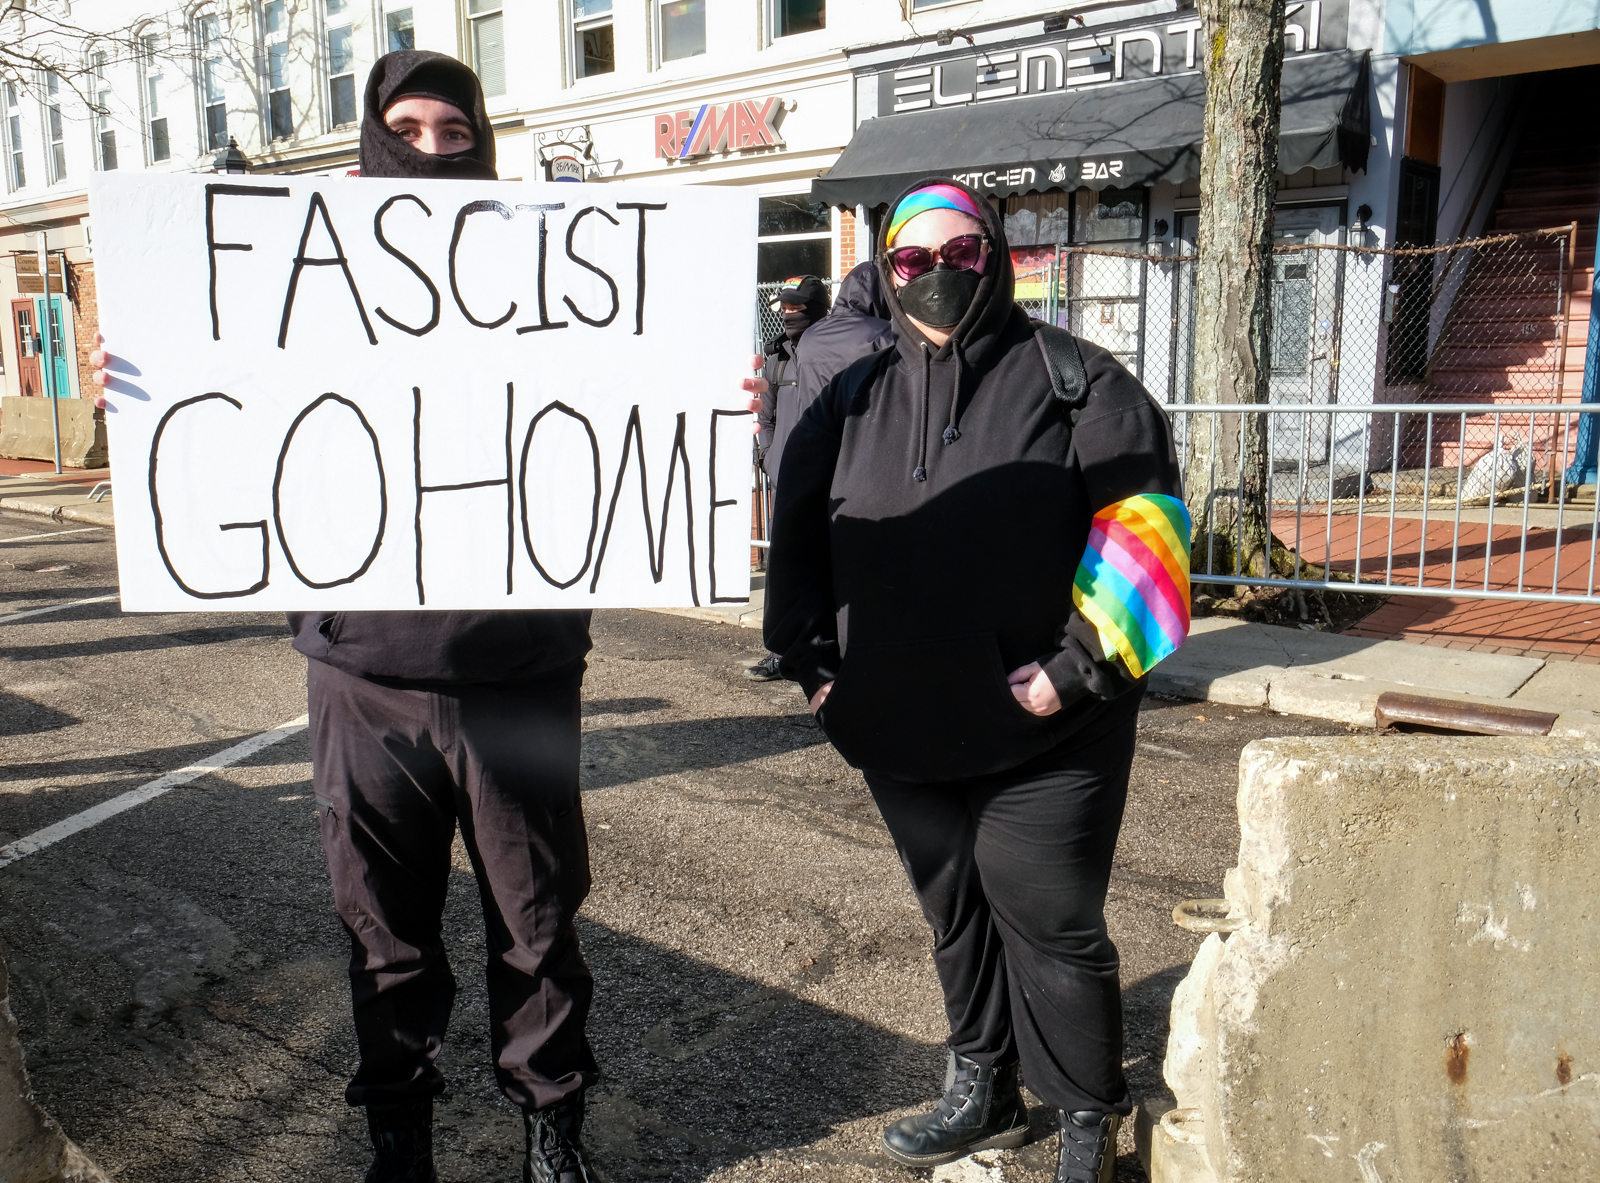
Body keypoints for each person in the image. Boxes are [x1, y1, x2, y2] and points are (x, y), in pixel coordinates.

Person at [97, 51, 605, 1183]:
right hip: (362, 673)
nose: (433, 150)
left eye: (453, 131)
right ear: (372, 142)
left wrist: (727, 405)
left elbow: (629, 407)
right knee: (383, 932)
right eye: (407, 129)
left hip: (519, 671)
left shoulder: (557, 282)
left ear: (484, 139)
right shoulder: (300, 295)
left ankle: (550, 1132)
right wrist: (143, 390)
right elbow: (229, 426)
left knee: (538, 922)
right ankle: (399, 1142)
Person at [762, 179, 1190, 1183]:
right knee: (954, 913)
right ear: (885, 270)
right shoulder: (849, 395)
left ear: (994, 256)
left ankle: (1086, 1109)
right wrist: (817, 672)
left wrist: (1072, 676)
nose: (941, 275)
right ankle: (983, 1088)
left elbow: (1149, 539)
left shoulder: (1079, 380)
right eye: (916, 260)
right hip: (898, 727)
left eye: (963, 254)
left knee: (1048, 918)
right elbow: (797, 544)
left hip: (1050, 727)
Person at [745, 274, 830, 681]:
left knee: (828, 568)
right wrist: (770, 459)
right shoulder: (776, 355)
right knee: (784, 572)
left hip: (832, 481)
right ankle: (782, 653)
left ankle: (829, 653)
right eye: (786, 307)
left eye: (798, 307)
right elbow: (767, 415)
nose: (789, 314)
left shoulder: (833, 352)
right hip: (785, 482)